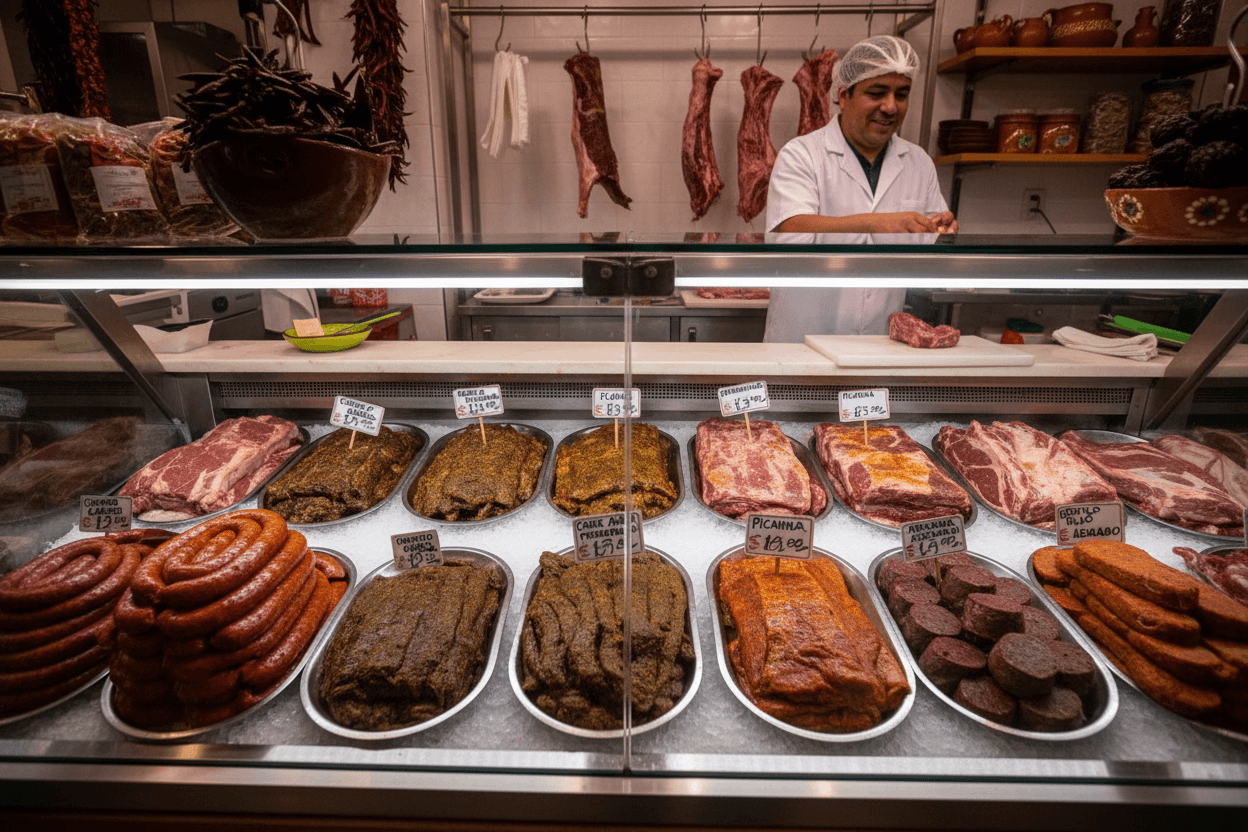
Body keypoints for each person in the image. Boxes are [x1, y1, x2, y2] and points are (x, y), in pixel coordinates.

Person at [763, 35, 957, 341]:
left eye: (901, 94)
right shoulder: (802, 154)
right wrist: (874, 222)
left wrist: (943, 230)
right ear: (844, 95)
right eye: (876, 93)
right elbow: (789, 231)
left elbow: (930, 249)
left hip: (879, 342)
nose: (890, 107)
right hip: (803, 340)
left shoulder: (918, 162)